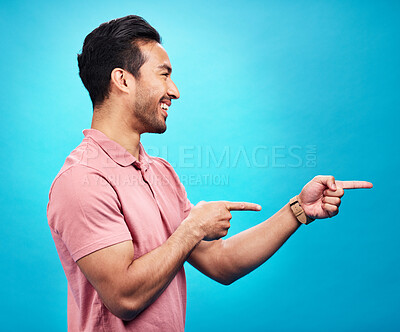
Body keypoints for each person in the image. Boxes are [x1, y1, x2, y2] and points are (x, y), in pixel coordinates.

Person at [47, 15, 373, 331]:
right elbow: (124, 296)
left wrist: (298, 210)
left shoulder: (159, 172)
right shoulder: (82, 180)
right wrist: (192, 229)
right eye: (163, 75)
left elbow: (221, 263)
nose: (174, 91)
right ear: (122, 80)